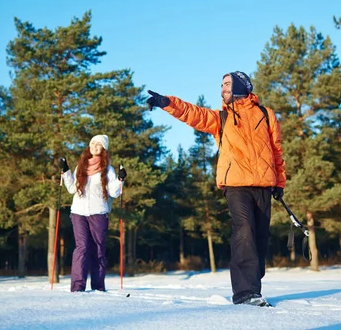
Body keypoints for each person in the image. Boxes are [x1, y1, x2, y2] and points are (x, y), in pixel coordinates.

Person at [146, 71, 286, 307]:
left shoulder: (265, 114)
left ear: (243, 85)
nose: (222, 88)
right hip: (235, 184)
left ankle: (253, 288)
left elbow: (277, 150)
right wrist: (166, 102)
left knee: (260, 238)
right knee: (244, 230)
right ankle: (244, 293)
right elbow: (193, 114)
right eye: (222, 85)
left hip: (263, 184)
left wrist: (279, 183)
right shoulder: (221, 118)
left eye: (228, 84)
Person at [58, 134, 127, 292]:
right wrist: (65, 171)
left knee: (97, 249)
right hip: (78, 212)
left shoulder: (107, 169)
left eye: (99, 145)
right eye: (93, 144)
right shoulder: (81, 166)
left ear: (104, 149)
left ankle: (98, 287)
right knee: (81, 248)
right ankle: (77, 287)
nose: (95, 146)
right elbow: (71, 189)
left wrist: (120, 180)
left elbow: (114, 192)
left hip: (98, 212)